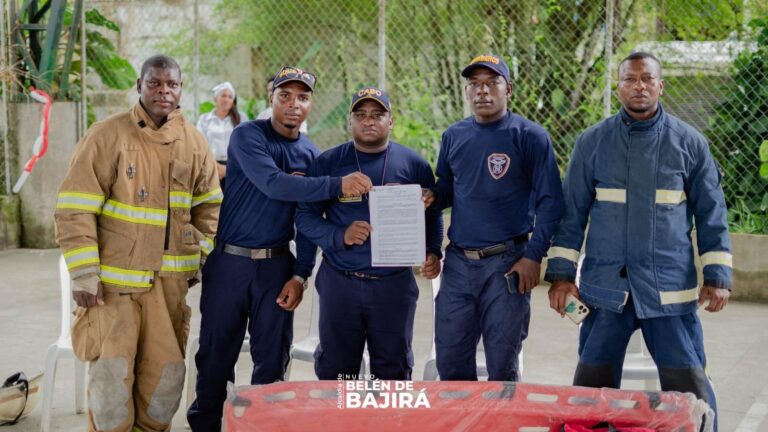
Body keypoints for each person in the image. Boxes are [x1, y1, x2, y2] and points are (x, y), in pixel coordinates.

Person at [545, 52, 731, 430]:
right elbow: (571, 215)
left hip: (668, 292)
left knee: (689, 390)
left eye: (647, 79)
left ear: (661, 85)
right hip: (605, 290)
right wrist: (561, 275)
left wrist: (717, 276)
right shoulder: (593, 143)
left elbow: (713, 214)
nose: (639, 86)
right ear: (618, 88)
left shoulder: (689, 144)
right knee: (591, 390)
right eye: (630, 79)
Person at [187, 66, 373, 430]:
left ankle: (263, 426)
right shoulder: (247, 136)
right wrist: (336, 185)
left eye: (302, 97)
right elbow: (273, 184)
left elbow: (306, 222)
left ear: (310, 104)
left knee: (271, 363)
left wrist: (301, 275)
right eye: (285, 95)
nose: (293, 104)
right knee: (215, 356)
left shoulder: (310, 154)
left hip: (276, 268)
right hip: (230, 262)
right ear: (271, 97)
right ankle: (205, 423)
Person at [54, 54, 221, 432]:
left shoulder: (194, 143)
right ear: (140, 86)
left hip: (169, 288)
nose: (164, 91)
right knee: (111, 383)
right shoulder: (107, 135)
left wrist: (198, 257)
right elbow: (74, 208)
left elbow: (209, 205)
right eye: (155, 83)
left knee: (163, 384)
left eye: (172, 84)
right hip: (113, 290)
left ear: (181, 89)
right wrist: (83, 274)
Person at [423, 54, 565, 381]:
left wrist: (533, 256)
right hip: (458, 262)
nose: (482, 91)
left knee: (502, 364)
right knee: (451, 363)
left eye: (491, 83)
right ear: (467, 91)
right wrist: (433, 195)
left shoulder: (529, 136)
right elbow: (447, 186)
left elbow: (551, 203)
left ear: (508, 89)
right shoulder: (454, 136)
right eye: (474, 84)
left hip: (507, 263)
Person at [296, 87, 443, 380]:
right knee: (337, 373)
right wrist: (340, 235)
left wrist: (433, 251)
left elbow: (432, 212)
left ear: (391, 122)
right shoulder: (328, 163)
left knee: (393, 371)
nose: (368, 121)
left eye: (378, 114)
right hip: (341, 282)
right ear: (349, 122)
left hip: (394, 287)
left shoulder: (414, 164)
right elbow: (304, 216)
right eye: (360, 115)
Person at [196, 81, 248, 190]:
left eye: (230, 97)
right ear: (215, 99)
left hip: (236, 166)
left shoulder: (241, 119)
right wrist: (215, 166)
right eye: (223, 96)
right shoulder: (204, 119)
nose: (226, 99)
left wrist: (228, 169)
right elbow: (200, 145)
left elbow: (246, 146)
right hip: (210, 166)